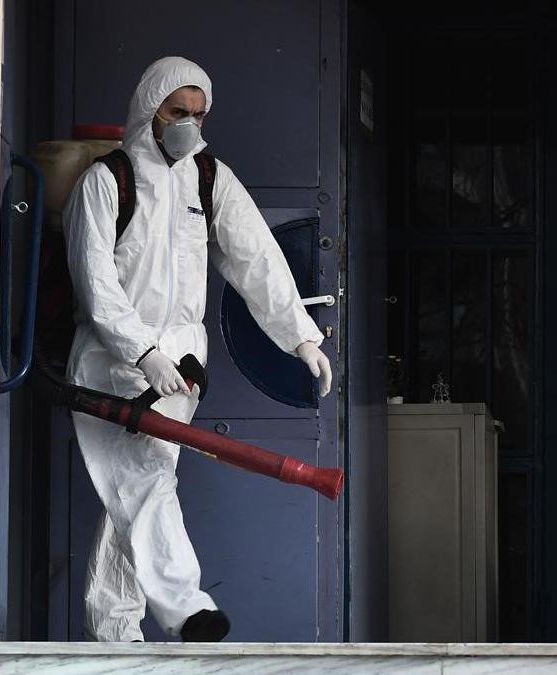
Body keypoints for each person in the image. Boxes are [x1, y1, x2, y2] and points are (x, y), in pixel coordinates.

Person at [62, 56, 332, 642]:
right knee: (146, 481)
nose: (188, 123)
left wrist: (300, 335)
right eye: (176, 111)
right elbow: (96, 283)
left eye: (198, 113)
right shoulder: (105, 182)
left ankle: (114, 628)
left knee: (131, 493)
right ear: (148, 108)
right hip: (110, 364)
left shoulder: (208, 178)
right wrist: (141, 353)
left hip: (181, 366)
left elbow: (255, 257)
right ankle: (188, 608)